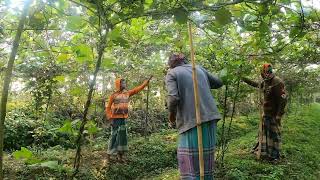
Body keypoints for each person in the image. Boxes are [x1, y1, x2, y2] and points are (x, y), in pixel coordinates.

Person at [165, 53, 223, 179]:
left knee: (191, 161)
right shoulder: (198, 68)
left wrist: (171, 117)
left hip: (191, 121)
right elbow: (218, 82)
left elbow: (173, 98)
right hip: (210, 118)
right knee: (206, 159)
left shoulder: (172, 73)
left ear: (171, 64)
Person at [241, 63, 287, 161]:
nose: (262, 75)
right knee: (265, 134)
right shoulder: (266, 81)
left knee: (274, 135)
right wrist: (244, 79)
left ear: (266, 72)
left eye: (262, 72)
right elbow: (257, 85)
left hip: (274, 114)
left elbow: (283, 99)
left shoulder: (277, 82)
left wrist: (279, 115)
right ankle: (265, 152)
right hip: (266, 113)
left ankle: (274, 156)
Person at [105, 76, 152, 162]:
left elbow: (137, 89)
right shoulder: (114, 95)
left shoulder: (127, 93)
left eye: (124, 82)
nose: (124, 84)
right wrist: (110, 118)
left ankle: (120, 156)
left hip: (123, 119)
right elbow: (108, 108)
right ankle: (108, 155)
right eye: (122, 83)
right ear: (118, 84)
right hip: (115, 119)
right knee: (114, 136)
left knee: (122, 137)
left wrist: (145, 83)